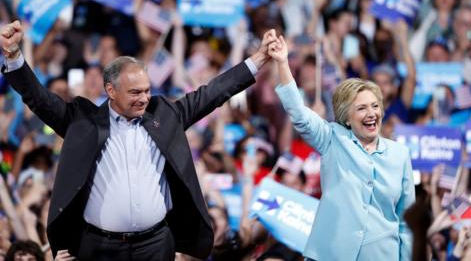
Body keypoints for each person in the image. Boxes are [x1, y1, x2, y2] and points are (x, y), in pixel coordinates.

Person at [0, 20, 277, 260]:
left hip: (155, 246)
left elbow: (214, 92)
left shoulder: (166, 115)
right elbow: (38, 98)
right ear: (111, 90)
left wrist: (259, 59)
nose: (144, 98)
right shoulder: (82, 121)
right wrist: (13, 54)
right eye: (135, 92)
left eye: (146, 90)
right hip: (98, 248)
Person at [268, 35, 415, 260]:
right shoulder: (333, 138)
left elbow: (407, 220)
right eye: (362, 108)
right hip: (330, 253)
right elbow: (299, 113)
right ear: (346, 117)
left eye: (375, 106)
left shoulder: (400, 154)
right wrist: (282, 63)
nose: (371, 113)